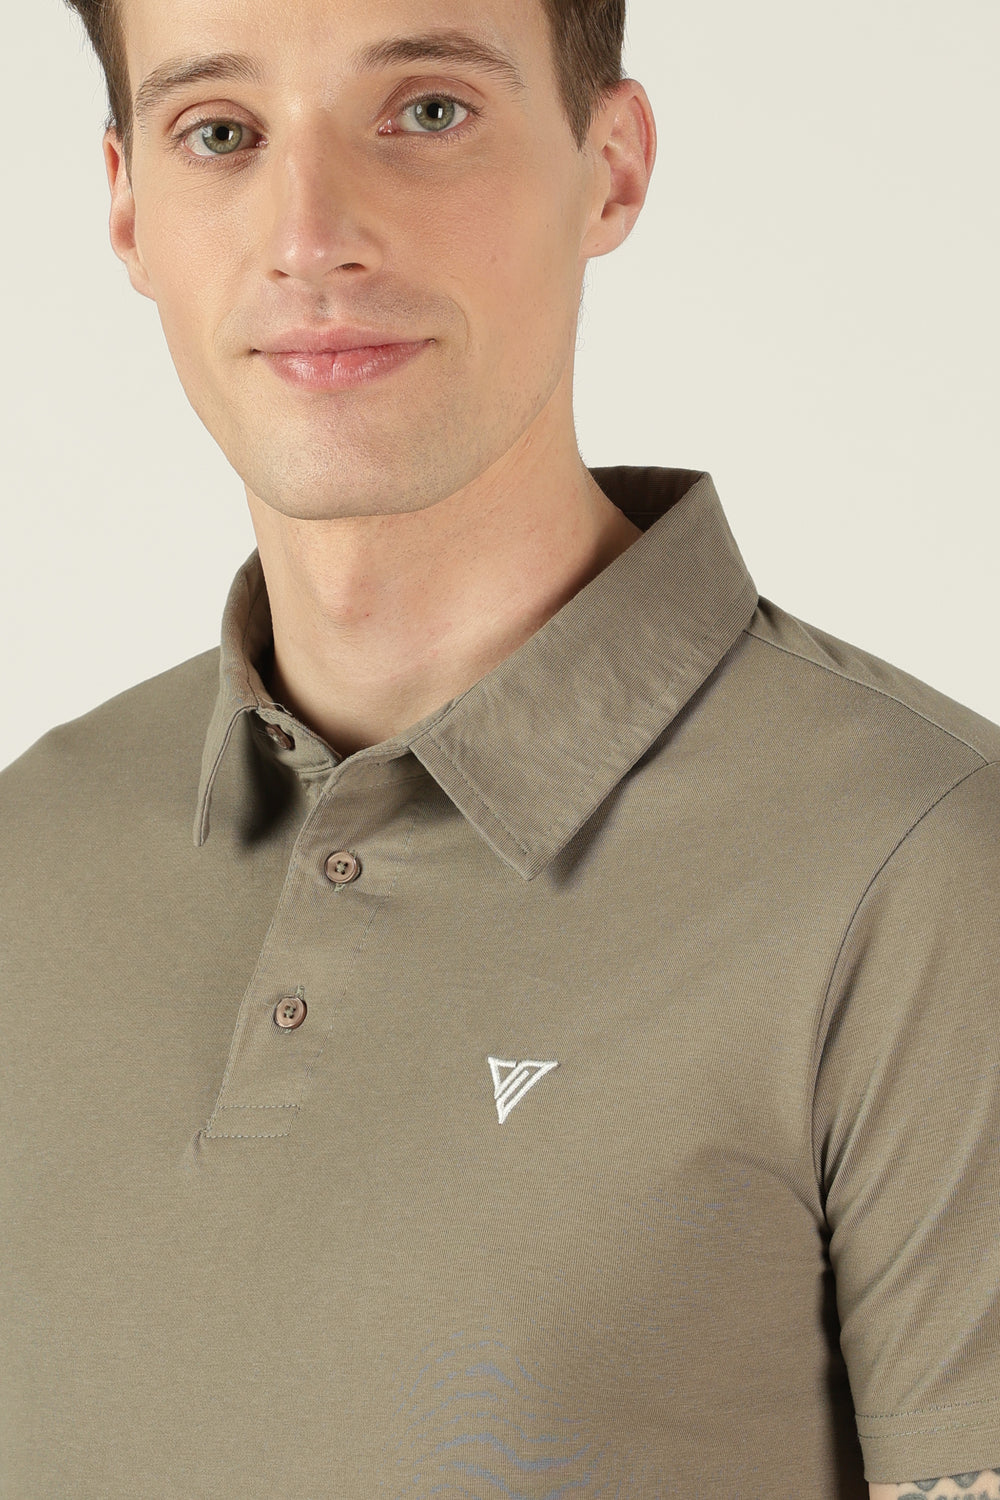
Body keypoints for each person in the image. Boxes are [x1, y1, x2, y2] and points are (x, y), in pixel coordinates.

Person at [2, 0, 998, 1492]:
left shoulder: (926, 873)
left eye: (427, 112)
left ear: (613, 166)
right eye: (222, 133)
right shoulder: (29, 850)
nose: (311, 236)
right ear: (129, 207)